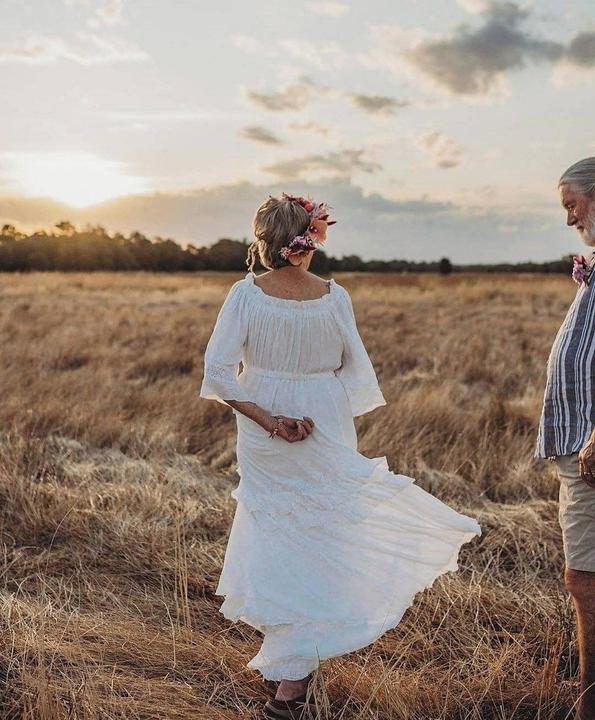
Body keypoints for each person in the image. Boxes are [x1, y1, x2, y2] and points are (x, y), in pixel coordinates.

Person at [199, 192, 482, 720]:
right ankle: (292, 664)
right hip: (323, 421)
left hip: (264, 427)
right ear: (311, 240)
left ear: (265, 241)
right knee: (319, 536)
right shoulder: (334, 296)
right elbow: (354, 371)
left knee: (283, 537)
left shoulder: (245, 294)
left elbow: (219, 374)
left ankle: (290, 679)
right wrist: (318, 411)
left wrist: (269, 418)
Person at [535, 158, 595, 720]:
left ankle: (588, 703)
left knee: (585, 578)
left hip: (592, 451)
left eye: (572, 204)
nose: (569, 218)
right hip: (580, 447)